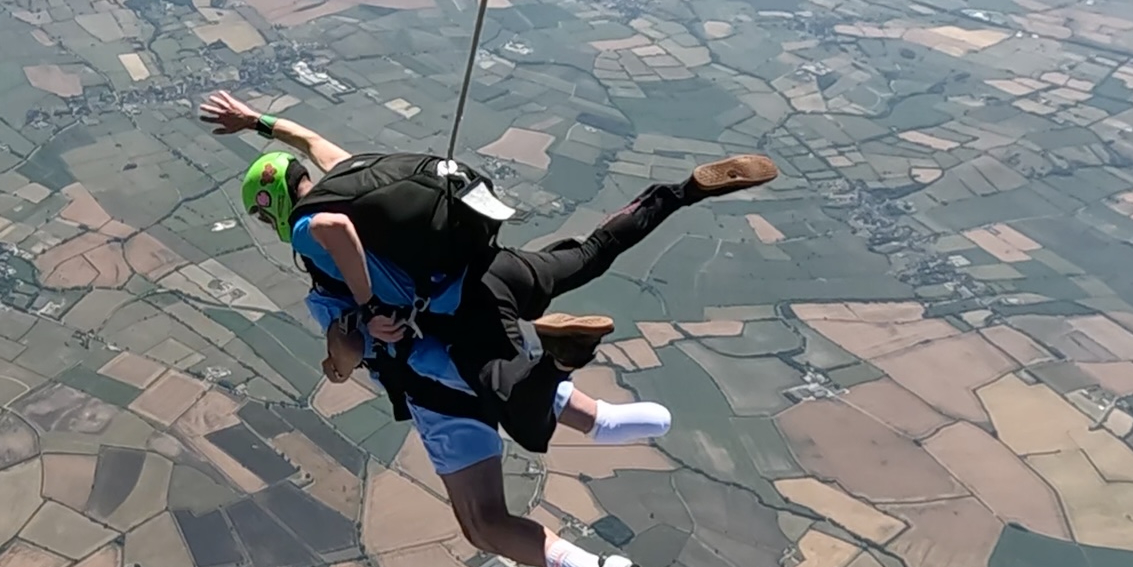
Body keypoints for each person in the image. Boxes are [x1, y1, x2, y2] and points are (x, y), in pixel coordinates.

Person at [199, 87, 778, 438]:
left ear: (271, 204)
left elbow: (333, 230)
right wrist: (256, 122)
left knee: (522, 414)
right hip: (496, 264)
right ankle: (681, 193)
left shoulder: (310, 227)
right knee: (592, 253)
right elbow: (308, 139)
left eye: (262, 215)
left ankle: (560, 355)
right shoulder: (344, 172)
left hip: (466, 306)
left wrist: (370, 304)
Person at [320, 309, 668, 567]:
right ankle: (605, 420)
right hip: (480, 345)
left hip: (436, 388)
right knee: (518, 385)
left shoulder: (330, 282)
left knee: (484, 522)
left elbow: (350, 344)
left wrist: (337, 367)